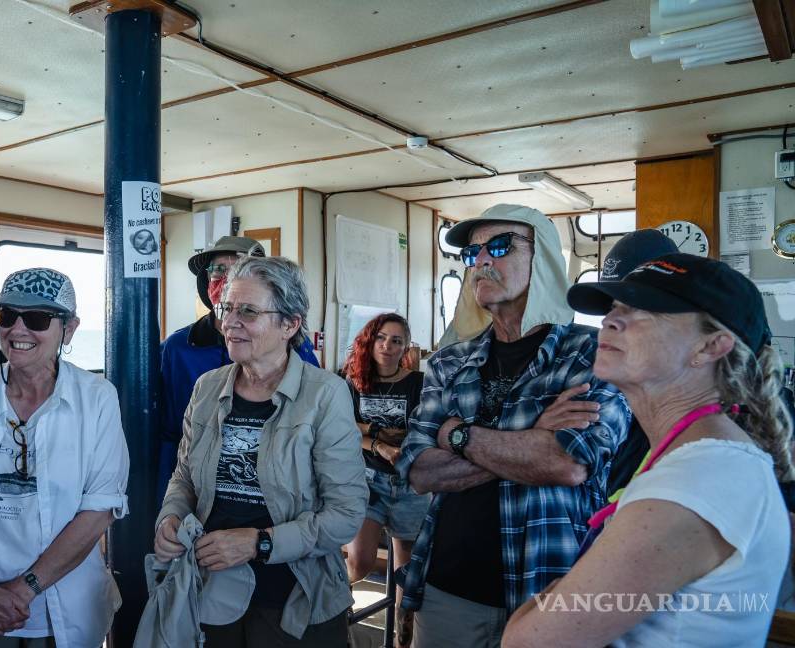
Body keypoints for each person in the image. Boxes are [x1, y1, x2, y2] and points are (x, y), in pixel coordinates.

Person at [503, 254, 793, 647]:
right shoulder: (691, 455)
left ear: (710, 346)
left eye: (644, 310)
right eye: (615, 307)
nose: (610, 320)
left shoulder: (702, 476)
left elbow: (527, 642)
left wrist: (553, 597)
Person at [395, 204, 630, 647]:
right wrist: (532, 436)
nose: (481, 260)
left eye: (500, 246)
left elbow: (569, 463)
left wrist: (456, 434)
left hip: (550, 588)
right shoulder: (450, 362)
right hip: (449, 591)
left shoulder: (591, 355)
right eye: (473, 253)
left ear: (541, 259)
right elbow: (419, 470)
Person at [154, 256, 366, 647]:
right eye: (227, 309)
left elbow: (346, 514)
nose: (230, 322)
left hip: (293, 597)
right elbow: (184, 477)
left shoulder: (324, 394)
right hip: (211, 589)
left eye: (248, 311)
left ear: (290, 324)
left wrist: (259, 542)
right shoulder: (206, 388)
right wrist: (170, 517)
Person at [0, 268, 129, 648]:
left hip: (62, 610)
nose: (17, 330)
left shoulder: (97, 398)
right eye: (7, 315)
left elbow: (99, 507)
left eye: (36, 319)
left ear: (69, 328)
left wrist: (25, 588)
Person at [158, 237, 321, 502]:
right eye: (219, 269)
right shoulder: (177, 347)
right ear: (206, 280)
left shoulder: (292, 344)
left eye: (240, 267)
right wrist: (168, 503)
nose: (227, 277)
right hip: (198, 485)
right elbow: (167, 431)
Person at [341, 313, 428, 648]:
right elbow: (346, 429)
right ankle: (337, 603)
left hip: (408, 482)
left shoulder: (417, 384)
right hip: (368, 480)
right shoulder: (354, 380)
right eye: (381, 338)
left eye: (396, 340)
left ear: (406, 346)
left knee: (406, 571)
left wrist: (376, 434)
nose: (387, 346)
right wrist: (378, 440)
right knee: (360, 561)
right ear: (370, 340)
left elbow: (423, 430)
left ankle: (400, 635)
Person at [593, 229, 679, 498]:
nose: (609, 321)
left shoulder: (717, 426)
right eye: (611, 306)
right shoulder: (607, 392)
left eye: (633, 306)